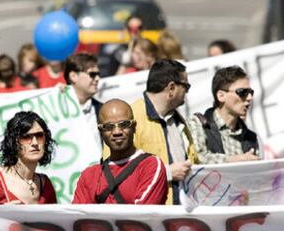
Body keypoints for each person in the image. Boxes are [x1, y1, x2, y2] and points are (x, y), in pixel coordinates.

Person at [129, 59, 198, 204]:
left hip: (183, 213)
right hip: (150, 218)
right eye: (186, 86)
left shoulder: (178, 121)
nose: (187, 92)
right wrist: (166, 173)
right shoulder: (130, 119)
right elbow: (116, 173)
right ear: (171, 88)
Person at [73, 99, 168, 205]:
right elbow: (80, 218)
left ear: (134, 127)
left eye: (124, 125)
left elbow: (143, 216)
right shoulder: (89, 176)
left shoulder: (150, 166)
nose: (117, 132)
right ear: (101, 131)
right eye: (108, 127)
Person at [0, 111, 57, 205]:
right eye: (26, 137)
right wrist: (1, 214)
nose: (35, 143)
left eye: (39, 136)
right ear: (13, 142)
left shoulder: (45, 184)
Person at [187, 65, 260, 165]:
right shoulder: (198, 123)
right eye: (243, 92)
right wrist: (234, 160)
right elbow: (197, 158)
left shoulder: (251, 137)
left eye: (251, 92)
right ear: (221, 96)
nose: (250, 97)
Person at [64, 52, 102, 148]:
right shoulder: (55, 109)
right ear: (73, 76)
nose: (97, 78)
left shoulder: (102, 109)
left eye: (98, 74)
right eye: (92, 74)